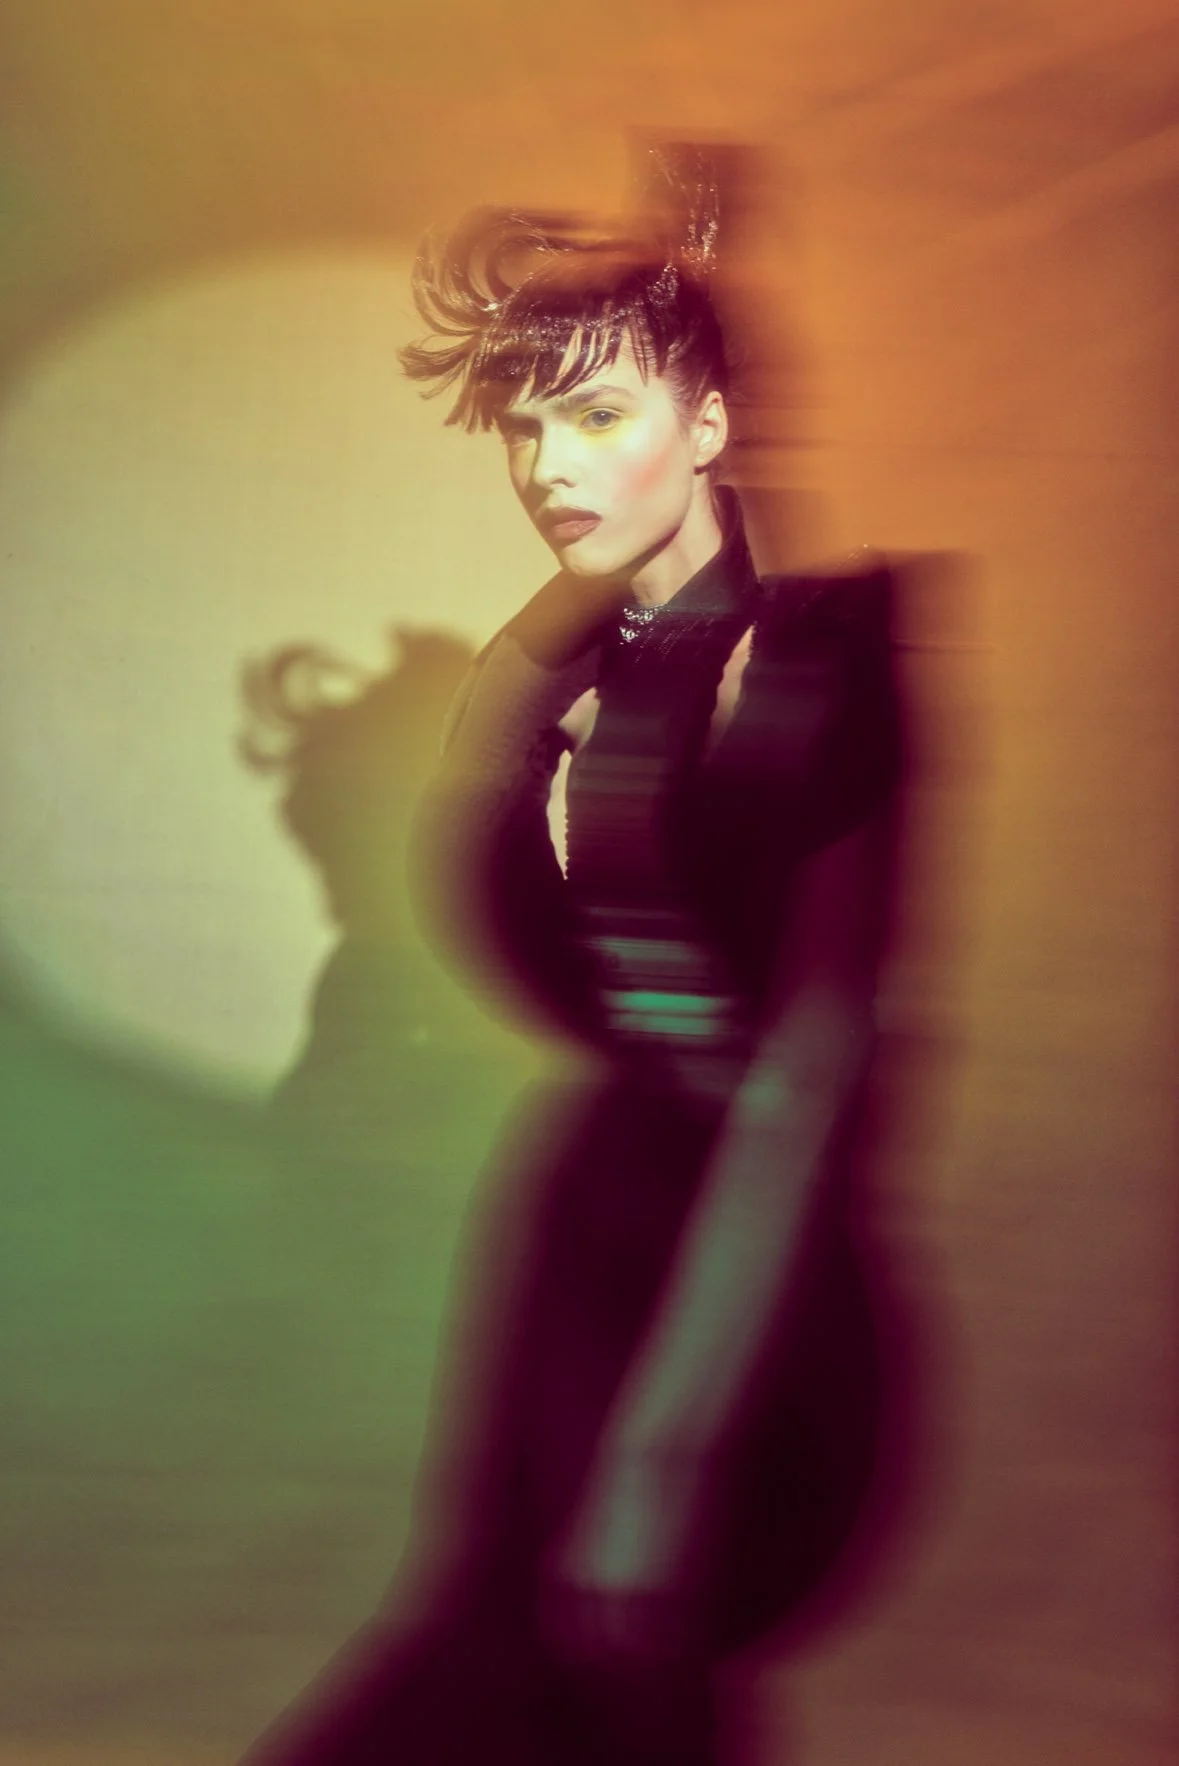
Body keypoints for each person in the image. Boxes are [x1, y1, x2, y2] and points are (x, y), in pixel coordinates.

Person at [244, 166, 908, 1766]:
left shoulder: (825, 667)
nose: (548, 468)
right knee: (529, 1671)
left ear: (715, 420)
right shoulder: (626, 662)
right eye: (525, 429)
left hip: (743, 1308)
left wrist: (659, 1452)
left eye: (597, 417)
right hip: (598, 1241)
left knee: (586, 1673)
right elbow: (515, 910)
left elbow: (800, 1095)